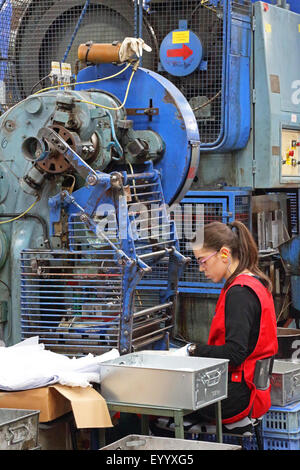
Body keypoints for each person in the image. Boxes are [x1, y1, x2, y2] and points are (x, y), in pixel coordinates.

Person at [186, 220, 278, 431]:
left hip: (236, 397)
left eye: (203, 261)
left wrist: (193, 351)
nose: (201, 269)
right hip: (252, 391)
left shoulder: (239, 293)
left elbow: (235, 353)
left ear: (224, 254)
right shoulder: (254, 281)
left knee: (161, 401)